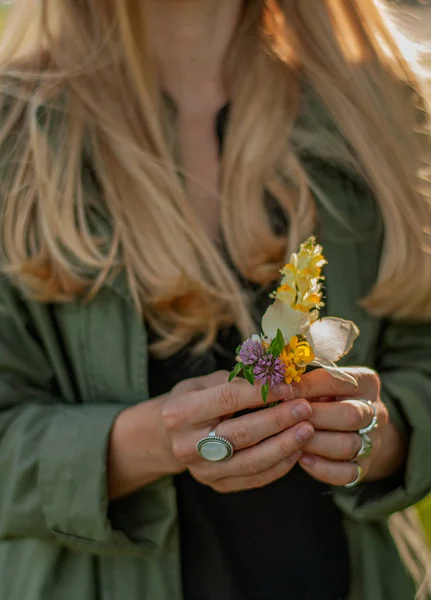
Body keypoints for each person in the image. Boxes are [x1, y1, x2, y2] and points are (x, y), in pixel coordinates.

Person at [0, 1, 430, 599]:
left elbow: (421, 358)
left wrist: (380, 435)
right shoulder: (15, 133)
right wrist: (150, 440)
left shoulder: (374, 107)